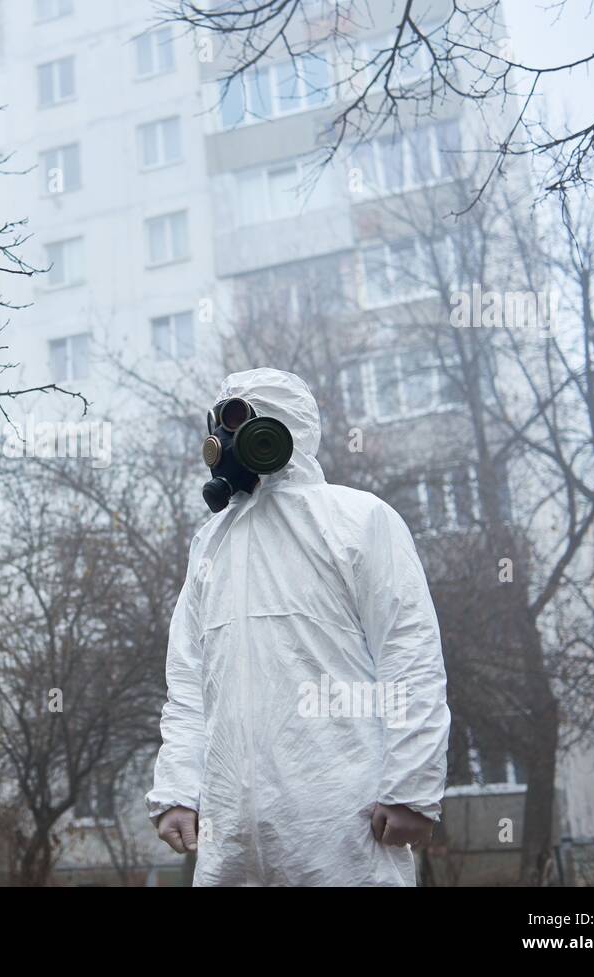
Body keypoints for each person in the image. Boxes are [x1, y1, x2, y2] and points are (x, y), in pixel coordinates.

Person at [146, 368, 451, 886]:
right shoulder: (211, 543)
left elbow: (410, 656)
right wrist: (178, 790)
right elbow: (189, 683)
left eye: (238, 418)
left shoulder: (358, 520)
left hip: (343, 824)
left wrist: (412, 788)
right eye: (218, 420)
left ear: (278, 428)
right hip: (231, 835)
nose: (222, 437)